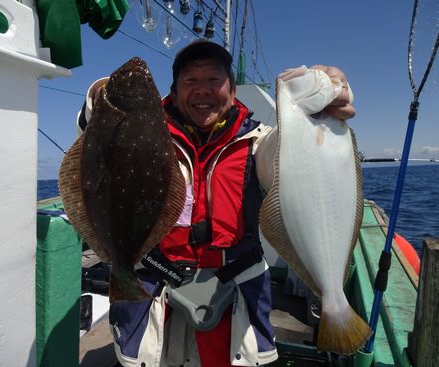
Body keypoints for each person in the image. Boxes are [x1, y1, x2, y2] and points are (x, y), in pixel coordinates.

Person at [77, 39, 355, 367]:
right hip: (154, 294)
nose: (203, 90)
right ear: (174, 91)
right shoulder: (146, 134)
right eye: (191, 81)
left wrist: (317, 115)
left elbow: (284, 157)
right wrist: (101, 94)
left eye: (214, 81)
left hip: (234, 298)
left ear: (232, 90)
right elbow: (96, 135)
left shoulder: (258, 141)